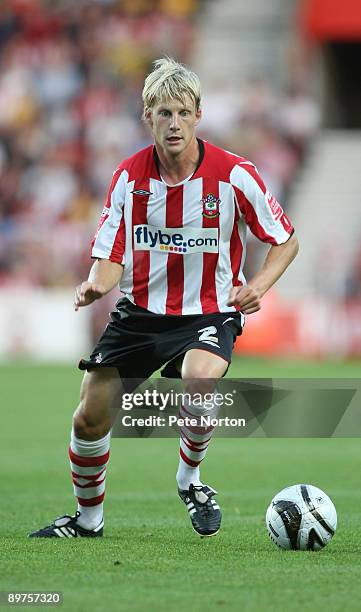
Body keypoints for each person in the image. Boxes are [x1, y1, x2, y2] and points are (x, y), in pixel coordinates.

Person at [29, 58, 299, 539]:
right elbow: (110, 255)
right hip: (139, 313)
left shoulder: (236, 174)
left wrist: (257, 285)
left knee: (200, 379)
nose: (173, 123)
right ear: (147, 117)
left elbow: (285, 239)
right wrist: (96, 283)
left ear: (198, 114)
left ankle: (190, 481)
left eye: (182, 112)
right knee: (90, 418)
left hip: (210, 310)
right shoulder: (128, 179)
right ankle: (88, 521)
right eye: (162, 113)